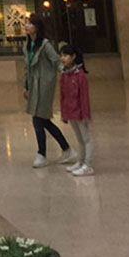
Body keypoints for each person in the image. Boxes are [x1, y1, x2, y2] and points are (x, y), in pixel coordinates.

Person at [22, 15, 74, 168]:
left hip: (44, 85)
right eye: (26, 23)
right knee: (43, 119)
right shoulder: (27, 45)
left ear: (37, 27)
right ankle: (66, 149)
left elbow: (56, 61)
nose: (26, 25)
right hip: (34, 84)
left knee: (38, 118)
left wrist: (67, 73)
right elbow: (27, 67)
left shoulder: (45, 45)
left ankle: (42, 154)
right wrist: (25, 85)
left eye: (30, 23)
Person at [59, 44, 93, 176]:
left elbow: (84, 97)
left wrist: (85, 114)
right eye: (61, 55)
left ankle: (88, 165)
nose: (63, 58)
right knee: (79, 139)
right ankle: (80, 161)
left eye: (65, 55)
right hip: (70, 111)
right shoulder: (64, 75)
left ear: (73, 57)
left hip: (80, 113)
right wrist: (64, 113)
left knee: (86, 138)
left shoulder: (80, 75)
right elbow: (62, 95)